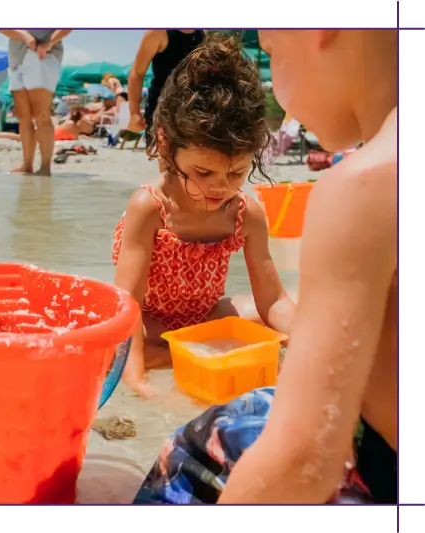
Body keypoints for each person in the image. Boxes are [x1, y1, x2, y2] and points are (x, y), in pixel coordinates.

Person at [136, 29, 397, 505]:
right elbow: (127, 303)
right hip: (159, 325)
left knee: (188, 449)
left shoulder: (361, 190)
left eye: (272, 52)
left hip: (383, 480)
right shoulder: (150, 206)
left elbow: (305, 460)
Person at [112, 35, 296, 399]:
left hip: (206, 316)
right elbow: (127, 304)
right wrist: (134, 379)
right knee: (116, 349)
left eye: (237, 173)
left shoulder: (247, 214)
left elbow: (273, 299)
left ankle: (188, 357)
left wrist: (312, 347)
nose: (221, 188)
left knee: (281, 325)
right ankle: (173, 359)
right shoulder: (150, 208)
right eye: (204, 172)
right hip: (150, 322)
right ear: (166, 145)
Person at [0, 29, 72, 176]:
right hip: (17, 57)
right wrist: (24, 35)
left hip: (44, 55)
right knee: (23, 116)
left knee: (42, 114)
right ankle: (27, 165)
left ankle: (45, 168)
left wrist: (49, 43)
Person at [127, 29, 205, 166]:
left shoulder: (202, 33)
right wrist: (134, 113)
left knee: (192, 167)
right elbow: (136, 73)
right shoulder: (158, 32)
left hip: (193, 109)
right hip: (162, 109)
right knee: (168, 166)